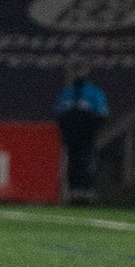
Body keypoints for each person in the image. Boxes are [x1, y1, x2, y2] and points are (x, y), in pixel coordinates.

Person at [54, 61, 109, 204]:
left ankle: (87, 193)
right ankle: (74, 193)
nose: (79, 73)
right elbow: (60, 114)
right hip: (71, 135)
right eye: (77, 70)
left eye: (81, 70)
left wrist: (90, 129)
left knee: (87, 161)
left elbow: (101, 114)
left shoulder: (94, 92)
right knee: (72, 163)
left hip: (87, 135)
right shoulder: (67, 93)